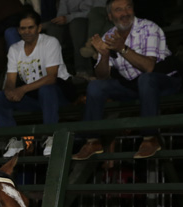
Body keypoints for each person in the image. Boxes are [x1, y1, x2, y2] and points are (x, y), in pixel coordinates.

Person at [73, 0, 182, 160]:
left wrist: (122, 49)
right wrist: (103, 56)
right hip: (133, 86)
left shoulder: (149, 28)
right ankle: (92, 141)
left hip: (164, 81)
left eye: (128, 7)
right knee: (96, 86)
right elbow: (103, 76)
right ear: (110, 16)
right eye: (118, 10)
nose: (125, 13)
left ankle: (150, 138)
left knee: (146, 79)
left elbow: (149, 67)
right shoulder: (109, 36)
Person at [0, 9, 75, 157]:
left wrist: (22, 90)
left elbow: (51, 77)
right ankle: (13, 140)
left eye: (30, 27)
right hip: (34, 96)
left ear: (38, 28)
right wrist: (9, 91)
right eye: (23, 28)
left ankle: (52, 137)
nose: (27, 31)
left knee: (46, 89)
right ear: (18, 30)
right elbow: (10, 79)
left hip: (58, 94)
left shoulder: (50, 42)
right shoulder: (14, 49)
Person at [42, 0, 96, 80]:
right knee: (54, 28)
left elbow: (97, 11)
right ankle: (53, 70)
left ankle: (83, 70)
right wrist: (60, 19)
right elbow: (61, 13)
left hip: (90, 21)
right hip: (69, 21)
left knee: (77, 24)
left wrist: (69, 17)